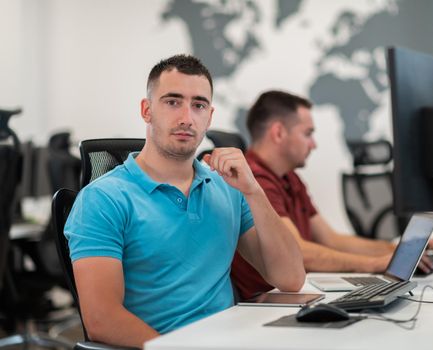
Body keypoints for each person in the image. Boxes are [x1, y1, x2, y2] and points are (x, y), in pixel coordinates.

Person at [64, 57, 305, 348]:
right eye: (172, 102)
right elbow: (102, 319)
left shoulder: (228, 188)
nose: (187, 118)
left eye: (199, 105)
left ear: (210, 116)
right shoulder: (103, 199)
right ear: (146, 110)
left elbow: (290, 279)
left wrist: (254, 190)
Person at [230, 90, 433, 300]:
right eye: (307, 133)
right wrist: (371, 265)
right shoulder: (254, 181)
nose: (314, 144)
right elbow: (301, 252)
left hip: (298, 293)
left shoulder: (289, 178)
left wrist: (395, 250)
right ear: (278, 133)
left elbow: (331, 239)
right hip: (269, 301)